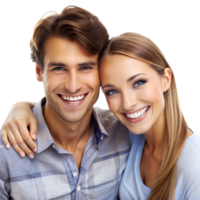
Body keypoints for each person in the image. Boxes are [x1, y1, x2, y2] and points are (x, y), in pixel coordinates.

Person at [2, 31, 200, 200]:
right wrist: (19, 107)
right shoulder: (128, 133)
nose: (128, 103)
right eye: (112, 91)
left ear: (166, 79)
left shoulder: (194, 165)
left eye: (139, 82)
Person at [0, 5, 132, 200]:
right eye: (59, 68)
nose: (73, 86)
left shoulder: (125, 131)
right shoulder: (5, 154)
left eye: (85, 67)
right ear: (38, 72)